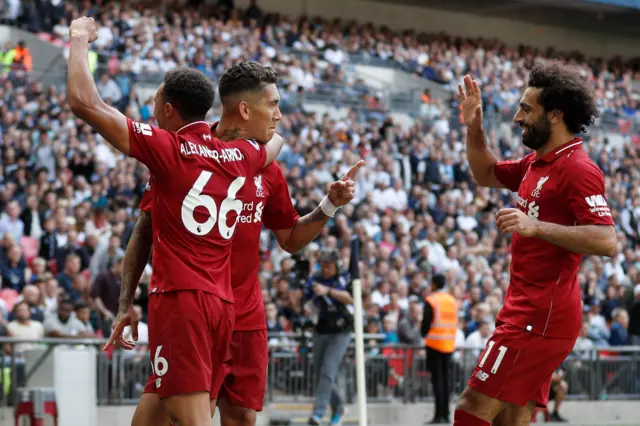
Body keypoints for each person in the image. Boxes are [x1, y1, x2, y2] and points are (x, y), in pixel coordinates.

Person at [114, 61, 363, 426]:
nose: (279, 116)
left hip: (245, 317)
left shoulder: (268, 169)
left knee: (241, 418)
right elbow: (145, 228)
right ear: (245, 109)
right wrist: (125, 301)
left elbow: (290, 239)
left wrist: (328, 207)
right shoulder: (188, 152)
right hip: (192, 312)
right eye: (273, 105)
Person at [67, 17, 285, 426]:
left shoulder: (170, 150)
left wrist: (79, 39)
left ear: (168, 109)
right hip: (221, 309)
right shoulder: (244, 157)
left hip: (182, 302)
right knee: (148, 422)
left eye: (154, 104)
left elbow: (85, 102)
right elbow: (273, 143)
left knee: (193, 422)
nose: (150, 111)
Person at [453, 62, 617, 426]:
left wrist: (537, 226)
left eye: (527, 109)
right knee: (510, 419)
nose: (516, 117)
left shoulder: (578, 169)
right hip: (528, 312)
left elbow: (607, 241)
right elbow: (485, 173)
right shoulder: (537, 162)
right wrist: (474, 127)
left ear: (556, 115)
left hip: (539, 319)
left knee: (471, 409)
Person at [304, 248, 354, 426]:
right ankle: (339, 409)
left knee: (328, 372)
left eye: (329, 267)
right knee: (321, 375)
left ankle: (318, 413)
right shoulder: (315, 277)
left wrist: (328, 291)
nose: (326, 270)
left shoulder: (344, 277)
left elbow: (352, 298)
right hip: (320, 330)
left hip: (341, 331)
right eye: (323, 266)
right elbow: (306, 298)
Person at [421, 274, 457, 424]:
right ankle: (446, 415)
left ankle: (438, 416)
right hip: (449, 346)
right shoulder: (452, 300)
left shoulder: (431, 300)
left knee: (437, 382)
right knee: (446, 381)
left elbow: (425, 324)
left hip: (434, 346)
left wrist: (424, 334)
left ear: (434, 284)